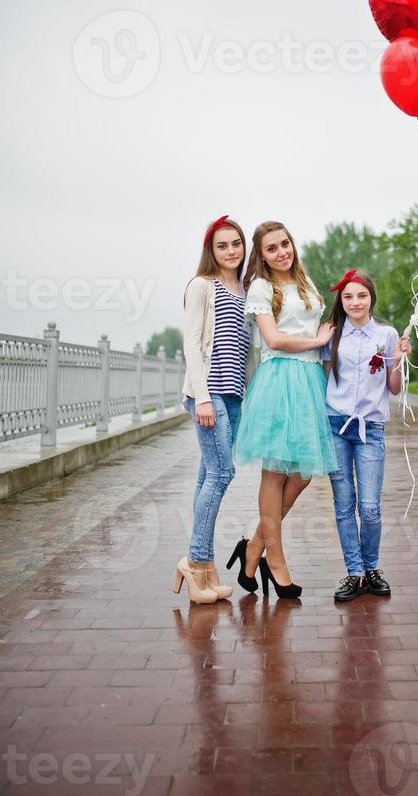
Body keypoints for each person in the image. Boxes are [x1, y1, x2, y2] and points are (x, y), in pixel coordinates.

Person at [228, 221, 337, 598]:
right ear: (262, 255)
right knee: (274, 472)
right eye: (272, 248)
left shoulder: (306, 284)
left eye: (285, 244)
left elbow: (322, 335)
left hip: (309, 381)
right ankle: (276, 562)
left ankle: (254, 547)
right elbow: (272, 338)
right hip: (279, 380)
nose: (281, 252)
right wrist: (315, 339)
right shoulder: (261, 287)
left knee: (303, 473)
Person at [173, 215, 251, 605]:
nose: (231, 251)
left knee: (207, 475)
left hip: (233, 395)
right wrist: (201, 397)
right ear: (211, 250)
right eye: (222, 245)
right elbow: (192, 343)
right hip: (208, 394)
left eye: (236, 243)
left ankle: (203, 572)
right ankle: (196, 561)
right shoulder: (202, 286)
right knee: (222, 472)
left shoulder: (245, 289)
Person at [321, 269, 411, 602]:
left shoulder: (387, 335)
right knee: (345, 505)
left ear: (371, 297)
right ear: (340, 301)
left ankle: (372, 568)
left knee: (370, 507)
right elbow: (318, 372)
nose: (355, 302)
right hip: (335, 427)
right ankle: (355, 573)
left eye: (361, 295)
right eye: (348, 296)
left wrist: (398, 362)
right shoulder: (330, 334)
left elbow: (395, 389)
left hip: (370, 429)